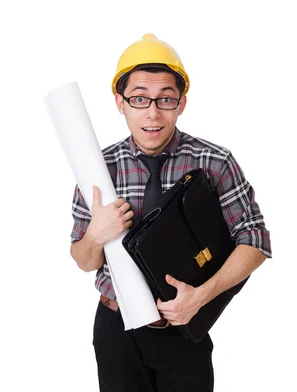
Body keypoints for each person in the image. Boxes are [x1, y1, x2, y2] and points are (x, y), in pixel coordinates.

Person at [69, 33, 271, 392]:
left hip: (185, 328)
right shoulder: (98, 168)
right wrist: (95, 236)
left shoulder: (214, 161)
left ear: (182, 103)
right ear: (120, 102)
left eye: (165, 99)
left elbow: (255, 241)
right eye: (139, 98)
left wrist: (202, 295)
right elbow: (83, 259)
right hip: (116, 329)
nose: (152, 112)